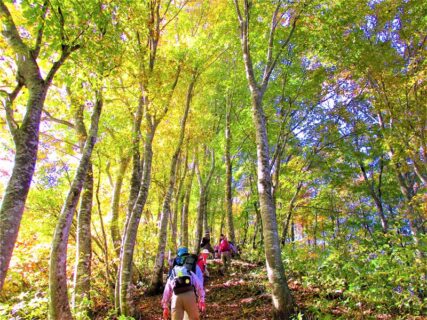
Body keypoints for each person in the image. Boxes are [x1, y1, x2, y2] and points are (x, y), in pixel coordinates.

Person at [162, 247, 206, 320]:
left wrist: (165, 306)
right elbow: (199, 284)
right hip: (190, 295)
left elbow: (167, 289)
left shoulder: (173, 271)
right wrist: (201, 299)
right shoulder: (192, 269)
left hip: (176, 297)